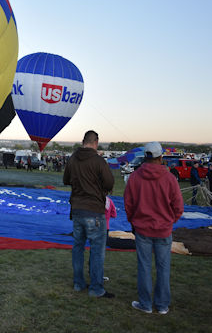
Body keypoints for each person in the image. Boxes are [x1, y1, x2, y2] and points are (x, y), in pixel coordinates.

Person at [124, 141, 184, 315]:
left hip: (142, 229)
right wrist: (170, 221)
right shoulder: (170, 178)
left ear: (145, 156)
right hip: (163, 230)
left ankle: (146, 304)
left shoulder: (135, 177)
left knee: (144, 267)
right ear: (161, 157)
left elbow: (128, 204)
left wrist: (133, 222)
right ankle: (162, 305)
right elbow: (178, 206)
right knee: (163, 267)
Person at [63, 130, 115, 298]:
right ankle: (96, 288)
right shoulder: (98, 161)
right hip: (94, 211)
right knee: (97, 250)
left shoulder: (72, 159)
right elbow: (109, 182)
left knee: (78, 247)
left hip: (77, 209)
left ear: (83, 141)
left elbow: (66, 180)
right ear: (96, 142)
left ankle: (78, 284)